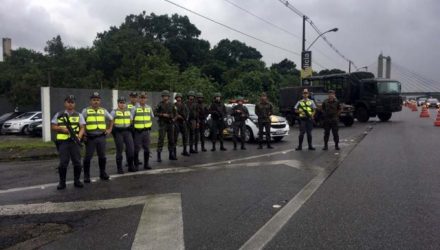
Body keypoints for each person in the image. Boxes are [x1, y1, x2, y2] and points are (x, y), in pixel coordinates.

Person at [51, 95, 85, 190]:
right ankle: (62, 183)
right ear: (65, 103)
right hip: (63, 142)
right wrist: (62, 129)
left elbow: (82, 128)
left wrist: (79, 137)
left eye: (72, 102)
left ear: (74, 104)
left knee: (77, 162)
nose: (70, 104)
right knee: (63, 163)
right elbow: (53, 126)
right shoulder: (59, 114)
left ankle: (77, 181)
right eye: (68, 102)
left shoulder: (79, 115)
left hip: (75, 141)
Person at [82, 92, 114, 183]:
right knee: (88, 157)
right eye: (94, 100)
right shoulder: (86, 111)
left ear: (100, 101)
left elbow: (111, 119)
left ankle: (102, 173)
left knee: (102, 156)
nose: (96, 102)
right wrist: (83, 134)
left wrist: (109, 129)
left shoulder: (103, 111)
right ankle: (86, 176)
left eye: (97, 100)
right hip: (90, 137)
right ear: (90, 101)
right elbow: (81, 123)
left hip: (101, 137)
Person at [111, 96, 135, 173]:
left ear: (125, 103)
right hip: (118, 133)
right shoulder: (114, 112)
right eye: (120, 103)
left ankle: (131, 166)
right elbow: (110, 122)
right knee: (119, 150)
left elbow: (131, 120)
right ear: (118, 103)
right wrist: (113, 130)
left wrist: (131, 127)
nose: (122, 104)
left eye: (123, 103)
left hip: (127, 132)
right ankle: (119, 168)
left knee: (131, 150)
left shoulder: (128, 111)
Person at [132, 91, 153, 170]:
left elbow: (151, 117)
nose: (142, 99)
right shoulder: (134, 108)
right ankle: (136, 165)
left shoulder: (149, 108)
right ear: (138, 99)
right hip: (138, 132)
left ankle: (146, 164)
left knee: (147, 148)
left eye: (144, 98)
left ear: (146, 99)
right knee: (137, 148)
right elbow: (131, 119)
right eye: (141, 98)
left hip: (146, 132)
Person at [155, 90, 177, 162]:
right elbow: (155, 113)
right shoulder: (160, 104)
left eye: (166, 96)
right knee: (161, 139)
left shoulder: (172, 104)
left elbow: (176, 114)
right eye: (164, 96)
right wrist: (162, 114)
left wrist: (173, 119)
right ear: (162, 97)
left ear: (168, 97)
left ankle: (171, 155)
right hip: (163, 124)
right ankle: (159, 156)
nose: (165, 97)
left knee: (171, 140)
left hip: (170, 124)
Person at [127, 92, 141, 166]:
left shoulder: (139, 105)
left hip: (137, 127)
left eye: (135, 97)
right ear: (130, 97)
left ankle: (136, 159)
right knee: (128, 145)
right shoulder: (126, 105)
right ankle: (128, 160)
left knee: (136, 145)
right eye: (132, 97)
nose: (134, 98)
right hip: (129, 128)